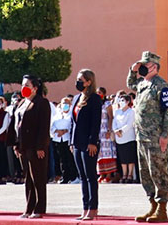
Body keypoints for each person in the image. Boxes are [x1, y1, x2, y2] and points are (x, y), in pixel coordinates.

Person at [127, 51, 168, 223]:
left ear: (154, 67)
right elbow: (131, 83)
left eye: (144, 65)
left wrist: (165, 135)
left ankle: (162, 209)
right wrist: (132, 71)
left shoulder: (161, 86)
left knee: (159, 172)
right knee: (145, 173)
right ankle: (152, 206)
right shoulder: (142, 84)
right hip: (141, 136)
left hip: (155, 137)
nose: (141, 67)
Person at [13, 75, 52, 219]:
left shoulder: (42, 103)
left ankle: (39, 208)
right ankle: (29, 207)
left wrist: (41, 146)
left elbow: (43, 126)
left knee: (38, 177)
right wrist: (16, 144)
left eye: (27, 85)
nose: (24, 88)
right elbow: (16, 124)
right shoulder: (22, 103)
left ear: (35, 88)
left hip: (35, 146)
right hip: (23, 145)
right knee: (28, 178)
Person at [70, 69, 103, 221]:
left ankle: (93, 208)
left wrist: (92, 141)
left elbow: (95, 122)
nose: (78, 82)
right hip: (77, 142)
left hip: (88, 143)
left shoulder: (95, 98)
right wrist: (71, 142)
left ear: (89, 82)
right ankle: (84, 208)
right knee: (82, 177)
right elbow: (73, 122)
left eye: (81, 80)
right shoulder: (77, 98)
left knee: (90, 176)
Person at [51, 96, 77, 184]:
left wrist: (65, 131)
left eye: (67, 103)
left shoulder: (71, 114)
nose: (65, 105)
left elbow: (72, 125)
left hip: (67, 139)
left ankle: (73, 177)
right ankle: (65, 177)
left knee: (70, 158)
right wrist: (56, 131)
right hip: (58, 139)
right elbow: (52, 125)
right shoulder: (57, 115)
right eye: (63, 103)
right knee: (62, 159)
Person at [112, 93, 136, 184]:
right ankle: (124, 174)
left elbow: (130, 124)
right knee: (122, 157)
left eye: (123, 100)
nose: (121, 102)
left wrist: (121, 130)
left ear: (128, 102)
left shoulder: (131, 111)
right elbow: (114, 122)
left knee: (129, 157)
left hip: (128, 137)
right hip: (119, 138)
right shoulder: (117, 112)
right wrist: (116, 130)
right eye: (120, 100)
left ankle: (130, 174)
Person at [96, 87, 117, 183]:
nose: (98, 94)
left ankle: (109, 174)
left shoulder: (107, 104)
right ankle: (101, 173)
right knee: (100, 153)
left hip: (105, 130)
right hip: (97, 131)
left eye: (99, 92)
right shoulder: (95, 104)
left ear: (104, 94)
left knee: (107, 152)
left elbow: (110, 117)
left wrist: (109, 130)